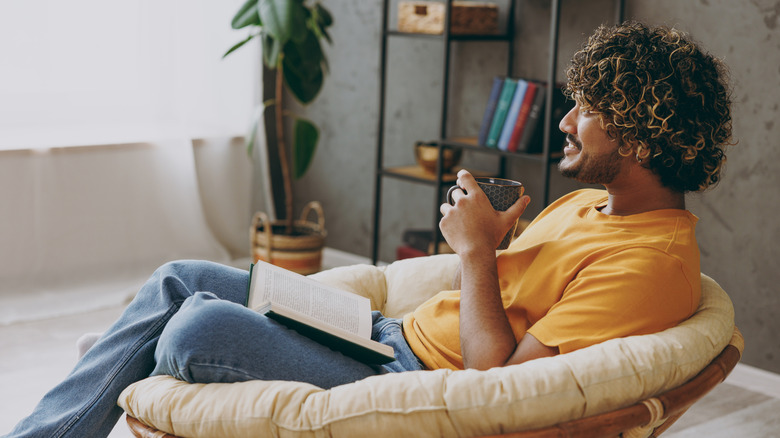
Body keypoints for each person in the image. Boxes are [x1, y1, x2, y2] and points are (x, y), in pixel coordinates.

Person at [5, 21, 732, 438]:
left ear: (638, 141)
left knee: (192, 331)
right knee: (177, 278)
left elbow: (501, 384)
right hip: (385, 330)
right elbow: (525, 300)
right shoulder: (592, 207)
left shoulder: (651, 264)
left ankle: (122, 356)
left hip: (406, 374)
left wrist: (476, 252)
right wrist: (501, 238)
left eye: (588, 110)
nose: (566, 122)